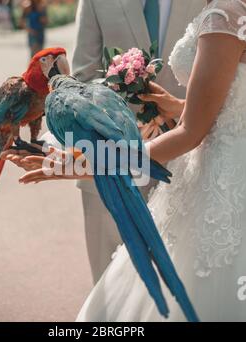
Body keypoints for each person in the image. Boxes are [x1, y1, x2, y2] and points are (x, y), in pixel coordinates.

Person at [4, 0, 246, 321]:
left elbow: (191, 133)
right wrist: (180, 105)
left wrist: (83, 163)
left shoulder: (225, 11)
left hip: (208, 181)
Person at [69, 0, 205, 284]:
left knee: (178, 282)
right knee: (109, 283)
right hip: (110, 160)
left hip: (188, 166)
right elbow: (82, 75)